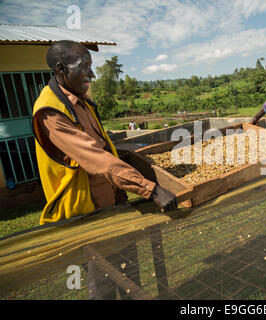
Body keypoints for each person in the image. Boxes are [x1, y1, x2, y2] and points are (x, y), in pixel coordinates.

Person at [32, 40, 177, 299]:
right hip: (89, 214)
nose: (92, 74)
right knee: (103, 286)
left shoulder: (81, 100)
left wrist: (136, 159)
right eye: (84, 67)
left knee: (130, 277)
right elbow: (96, 159)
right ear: (61, 69)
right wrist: (151, 189)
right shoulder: (51, 112)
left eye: (91, 66)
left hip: (114, 204)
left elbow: (104, 146)